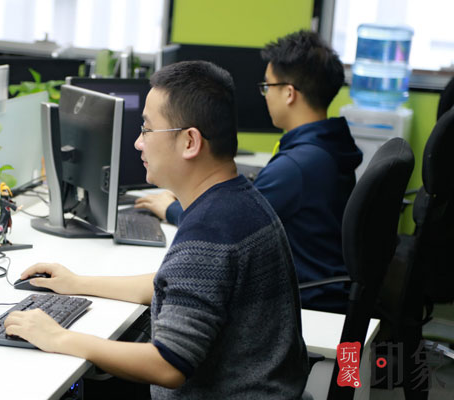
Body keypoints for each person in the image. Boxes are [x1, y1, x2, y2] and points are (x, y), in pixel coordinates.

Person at [4, 60, 309, 399]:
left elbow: (168, 363)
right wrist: (77, 283)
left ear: (190, 141)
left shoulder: (211, 230)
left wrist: (58, 337)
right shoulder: (237, 199)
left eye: (147, 129)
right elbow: (173, 282)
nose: (138, 142)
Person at [137, 30, 362, 314]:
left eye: (267, 86)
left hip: (306, 302)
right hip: (323, 287)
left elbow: (228, 223)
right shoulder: (327, 145)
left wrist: (170, 208)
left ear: (289, 93)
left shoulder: (296, 166)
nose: (264, 95)